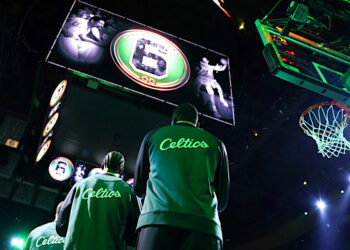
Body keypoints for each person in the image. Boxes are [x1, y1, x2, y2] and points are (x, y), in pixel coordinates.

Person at [134, 103, 230, 250]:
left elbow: (138, 189)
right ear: (197, 123)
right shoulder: (216, 144)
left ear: (173, 120)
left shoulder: (153, 136)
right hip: (204, 227)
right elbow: (222, 203)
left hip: (156, 222)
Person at [56, 151, 139, 250]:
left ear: (102, 165)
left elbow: (61, 226)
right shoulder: (128, 191)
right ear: (121, 169)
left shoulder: (80, 185)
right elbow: (133, 232)